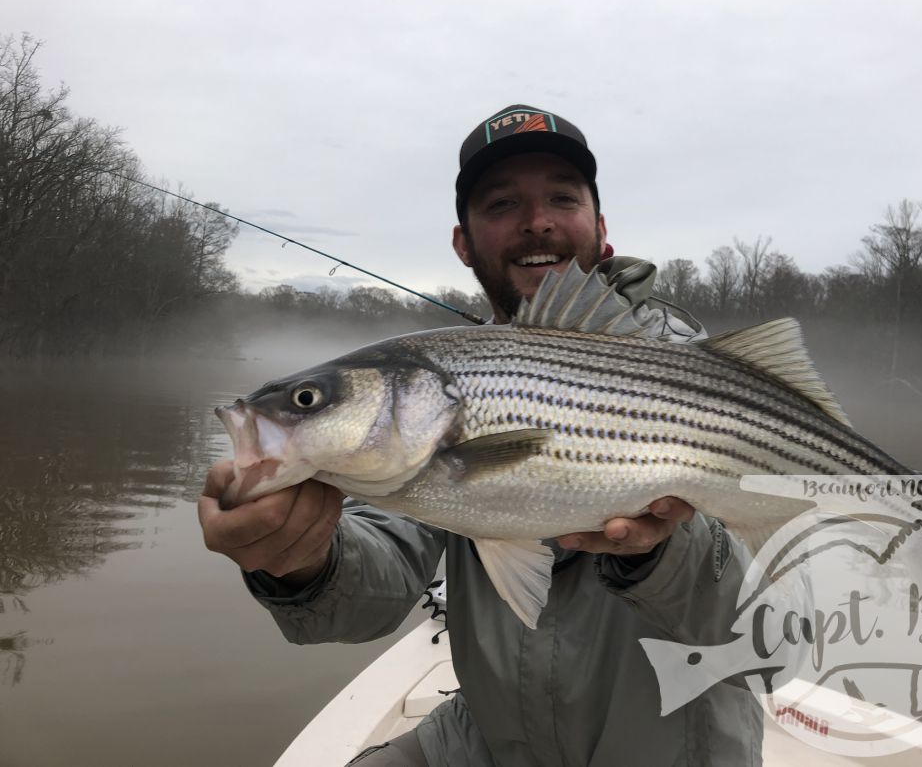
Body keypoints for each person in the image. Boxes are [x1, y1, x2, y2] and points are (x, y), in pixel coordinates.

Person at [199, 104, 763, 766]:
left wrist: (657, 555)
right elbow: (368, 590)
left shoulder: (701, 379)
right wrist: (301, 558)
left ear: (601, 229)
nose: (537, 220)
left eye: (561, 196)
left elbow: (763, 627)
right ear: (463, 241)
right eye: (501, 203)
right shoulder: (446, 395)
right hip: (492, 740)